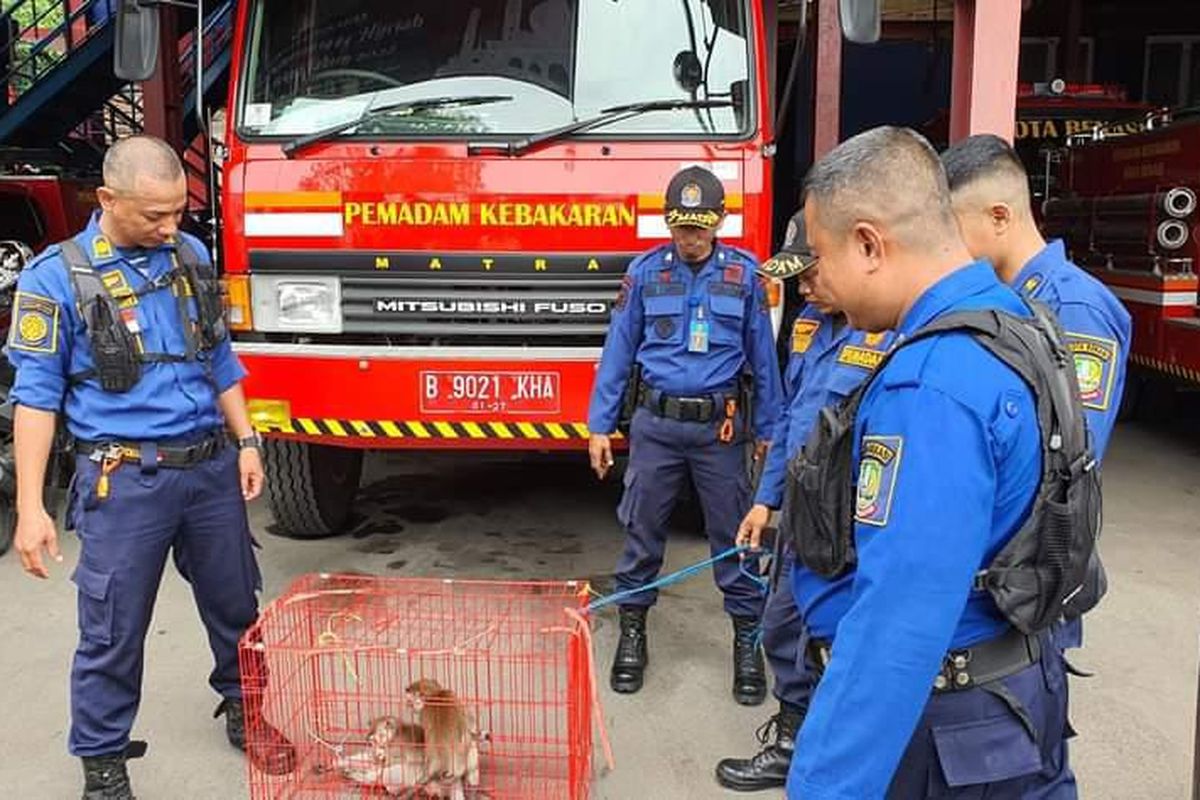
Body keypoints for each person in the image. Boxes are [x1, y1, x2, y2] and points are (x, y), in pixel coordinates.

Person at [784, 126, 1081, 797]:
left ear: (868, 244)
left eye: (821, 255)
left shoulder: (930, 382)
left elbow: (899, 618)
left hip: (951, 732)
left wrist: (825, 784)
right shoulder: (1017, 321)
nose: (816, 278)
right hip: (1019, 695)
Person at [7, 135, 295, 800]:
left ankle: (247, 712)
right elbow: (35, 401)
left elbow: (219, 359)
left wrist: (248, 441)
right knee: (112, 630)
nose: (170, 229)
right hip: (125, 480)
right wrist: (30, 509)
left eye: (177, 213)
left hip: (209, 471)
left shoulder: (188, 255)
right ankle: (103, 765)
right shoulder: (56, 277)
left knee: (238, 608)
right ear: (107, 200)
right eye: (153, 216)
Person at [587, 165, 783, 704]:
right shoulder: (646, 273)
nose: (690, 239)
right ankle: (632, 632)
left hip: (720, 431)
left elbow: (764, 362)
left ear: (720, 220)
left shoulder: (744, 276)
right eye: (680, 228)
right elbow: (619, 351)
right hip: (657, 427)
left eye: (699, 227)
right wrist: (600, 424)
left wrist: (768, 428)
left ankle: (747, 639)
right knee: (641, 530)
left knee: (733, 537)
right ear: (668, 223)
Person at [715, 209, 896, 791]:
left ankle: (837, 755)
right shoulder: (810, 325)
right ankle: (796, 740)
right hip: (798, 514)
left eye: (811, 272)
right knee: (783, 627)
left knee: (839, 641)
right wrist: (765, 502)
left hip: (848, 527)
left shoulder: (893, 331)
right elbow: (794, 418)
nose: (803, 287)